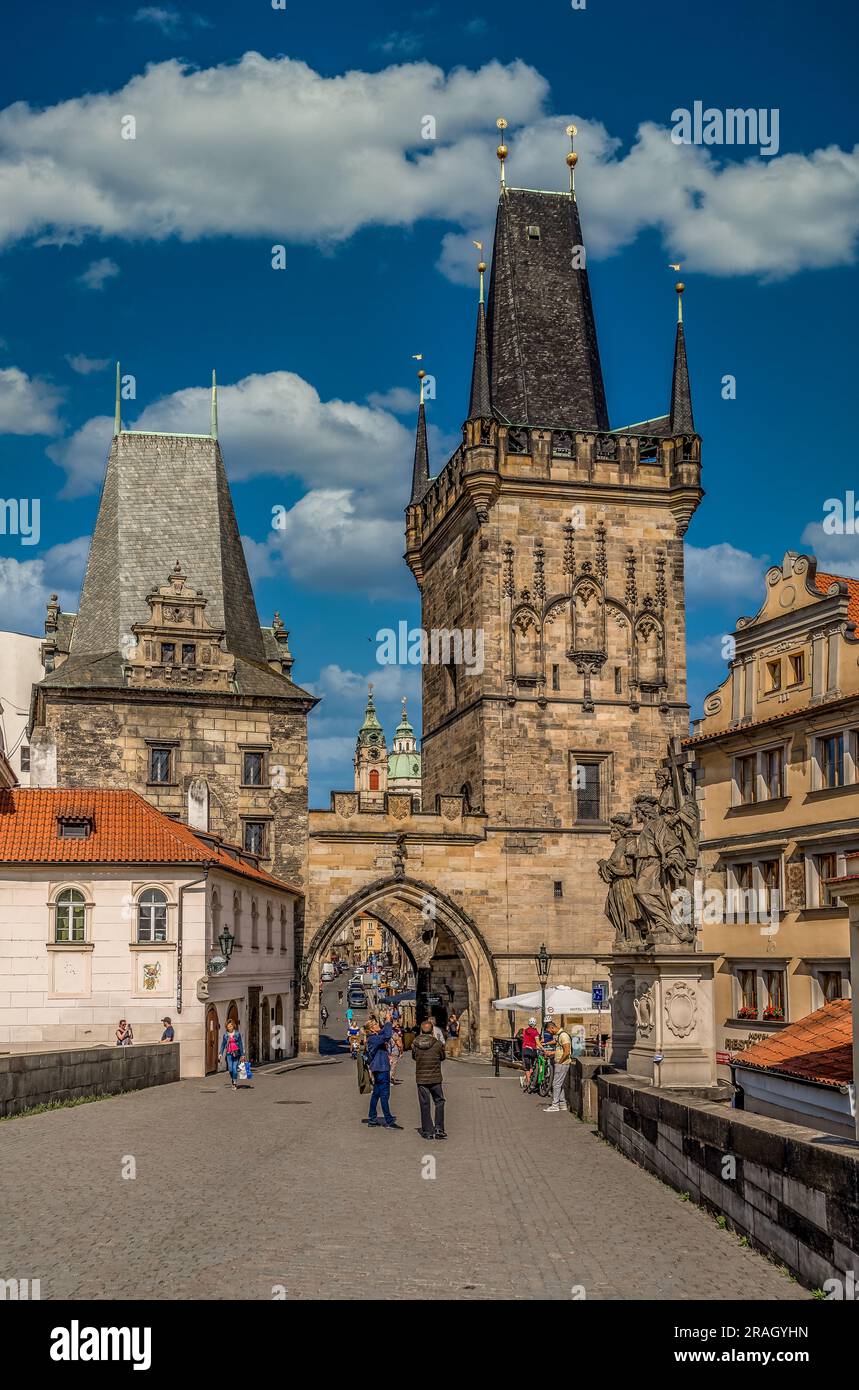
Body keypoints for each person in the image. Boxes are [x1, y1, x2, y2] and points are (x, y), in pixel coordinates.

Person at [363, 1011, 401, 1128]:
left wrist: (387, 1022)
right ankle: (389, 1121)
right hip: (381, 1068)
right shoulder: (373, 1039)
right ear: (372, 1029)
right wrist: (388, 1022)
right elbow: (387, 1036)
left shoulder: (374, 1036)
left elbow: (384, 1032)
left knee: (376, 1094)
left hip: (379, 1068)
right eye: (375, 1025)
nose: (378, 1025)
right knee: (385, 1095)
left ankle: (372, 1119)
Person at [412, 1018, 447, 1140]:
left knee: (424, 1104)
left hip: (421, 1078)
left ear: (421, 1031)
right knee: (439, 1102)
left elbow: (414, 1057)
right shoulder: (437, 1044)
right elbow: (442, 1057)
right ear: (432, 1031)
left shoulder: (415, 1043)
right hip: (435, 1077)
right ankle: (439, 1128)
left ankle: (427, 1130)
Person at [542, 1018, 572, 1113]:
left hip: (562, 1063)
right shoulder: (560, 1035)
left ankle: (555, 1105)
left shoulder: (563, 1036)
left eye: (549, 1031)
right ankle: (562, 1104)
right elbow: (560, 1048)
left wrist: (560, 1062)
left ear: (552, 1027)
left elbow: (567, 1051)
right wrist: (552, 1052)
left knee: (556, 1084)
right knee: (560, 1084)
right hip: (561, 1062)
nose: (549, 1033)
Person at [219, 1017, 245, 1090]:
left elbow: (240, 1044)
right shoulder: (225, 1035)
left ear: (233, 1025)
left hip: (236, 1053)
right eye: (228, 1026)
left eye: (230, 1026)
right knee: (230, 1069)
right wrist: (220, 1053)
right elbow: (223, 1044)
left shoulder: (237, 1034)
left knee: (234, 1068)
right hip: (229, 1053)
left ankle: (234, 1083)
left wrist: (242, 1055)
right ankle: (233, 1078)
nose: (229, 1027)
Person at [520, 1016, 539, 1090]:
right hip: (533, 1050)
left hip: (525, 1050)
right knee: (533, 1066)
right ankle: (532, 1080)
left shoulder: (525, 1031)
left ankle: (528, 1082)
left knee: (527, 1068)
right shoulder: (536, 1032)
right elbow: (537, 1042)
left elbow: (523, 1037)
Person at [388, 1020, 403, 1084]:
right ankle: (389, 1080)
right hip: (394, 1052)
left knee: (388, 1066)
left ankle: (390, 1079)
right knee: (393, 1067)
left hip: (387, 1052)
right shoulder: (394, 1034)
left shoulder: (385, 1033)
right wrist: (401, 1051)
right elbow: (399, 1044)